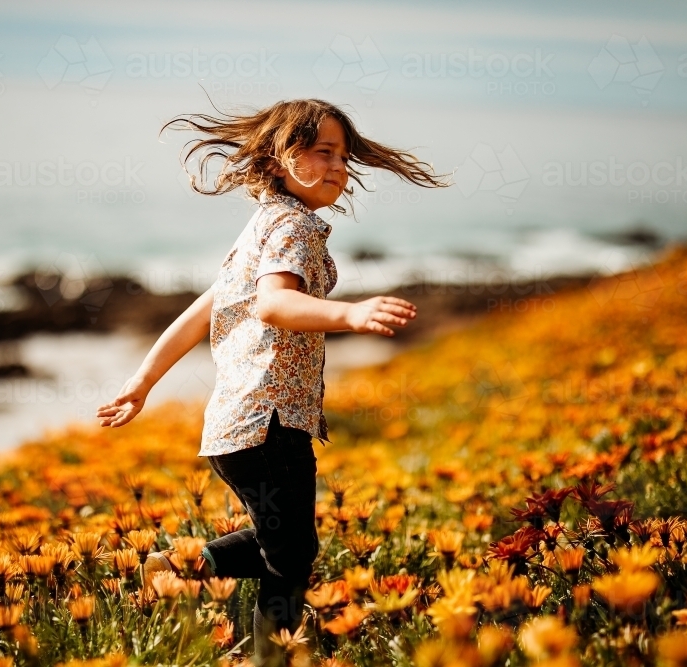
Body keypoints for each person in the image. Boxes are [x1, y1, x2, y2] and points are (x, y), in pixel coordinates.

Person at [96, 99, 448, 666]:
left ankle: (185, 568)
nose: (337, 166)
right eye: (321, 152)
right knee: (290, 557)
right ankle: (268, 655)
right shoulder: (295, 226)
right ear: (280, 160)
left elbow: (200, 314)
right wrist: (351, 315)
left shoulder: (261, 225)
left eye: (343, 155)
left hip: (233, 429)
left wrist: (143, 380)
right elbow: (275, 303)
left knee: (284, 546)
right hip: (271, 423)